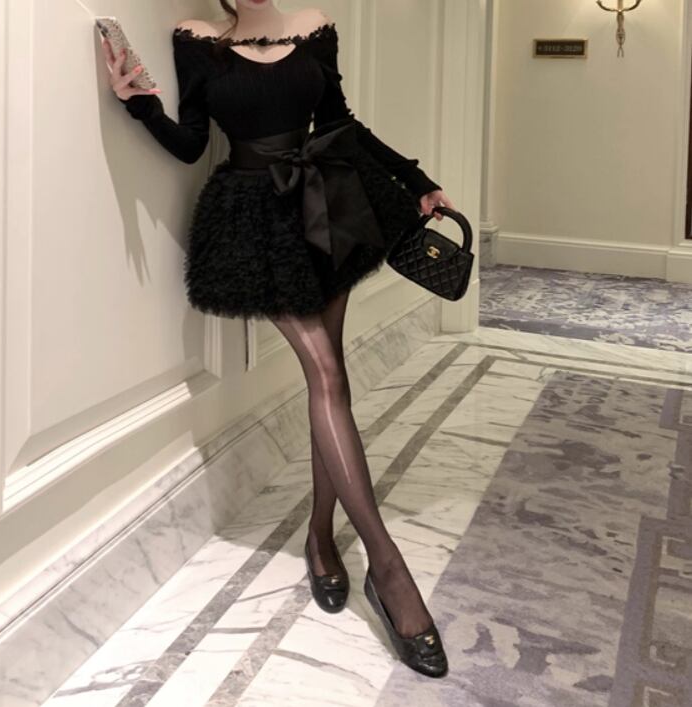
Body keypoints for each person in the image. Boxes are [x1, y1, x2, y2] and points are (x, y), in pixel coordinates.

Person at [102, 0, 455, 678]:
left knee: (332, 381)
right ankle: (387, 566)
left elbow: (342, 125)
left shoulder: (314, 24)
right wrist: (139, 104)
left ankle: (321, 539)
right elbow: (191, 142)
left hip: (329, 204)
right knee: (326, 376)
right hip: (253, 221)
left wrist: (418, 182)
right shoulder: (197, 39)